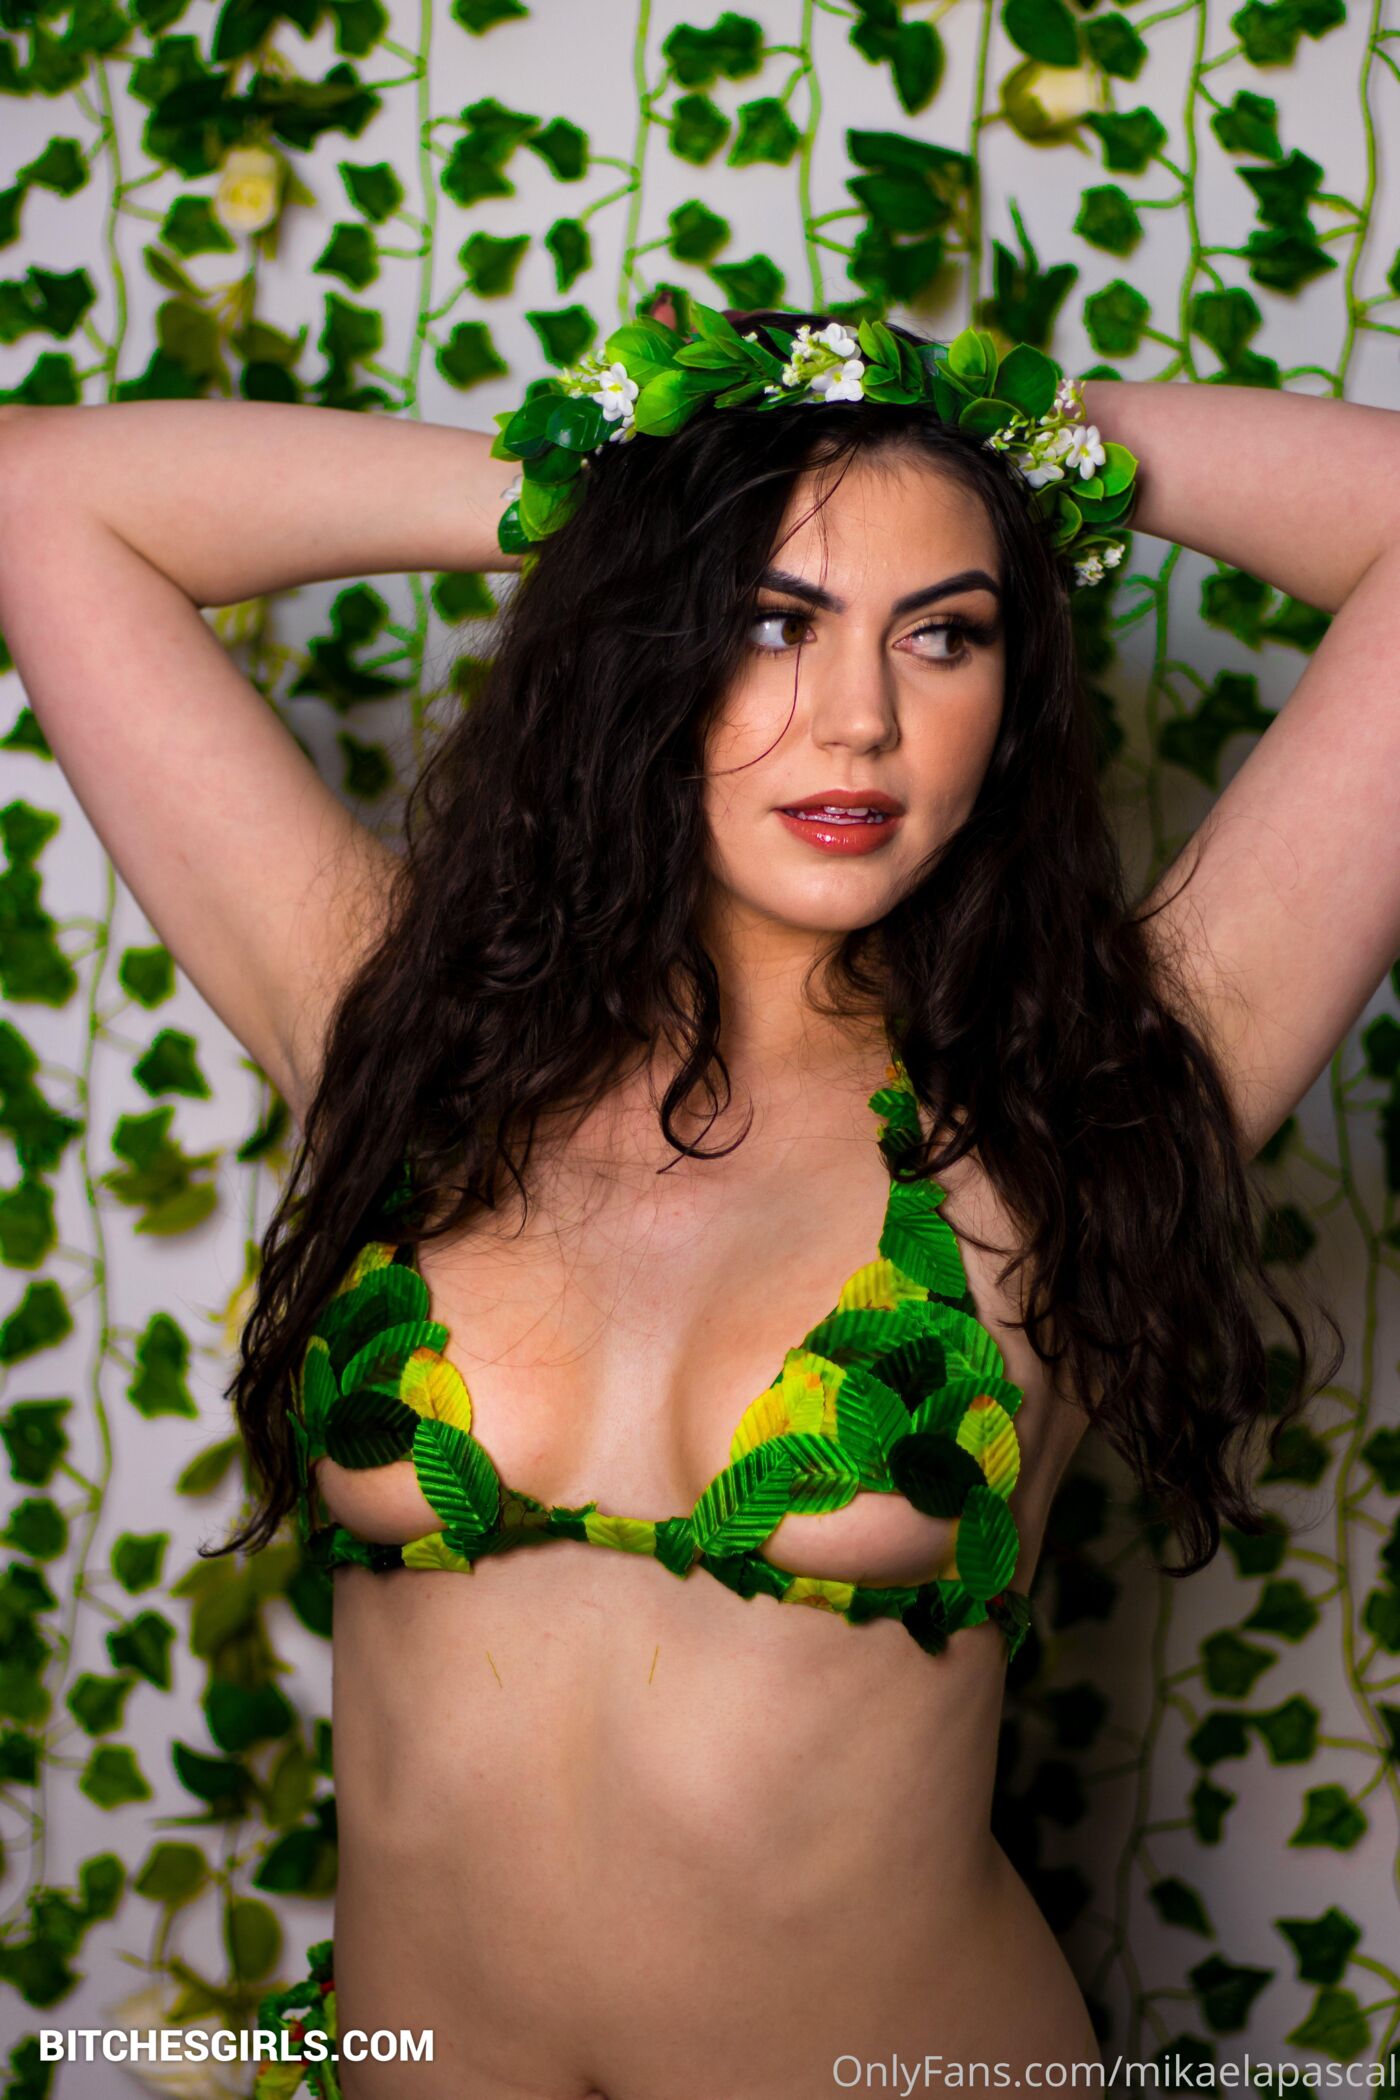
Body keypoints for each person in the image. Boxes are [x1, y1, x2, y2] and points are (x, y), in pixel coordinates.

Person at [1, 291, 1394, 2100]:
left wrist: (984, 431)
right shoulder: (401, 1040)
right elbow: (41, 497)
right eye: (767, 619)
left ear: (1012, 692)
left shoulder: (1082, 1108)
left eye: (944, 634)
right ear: (644, 644)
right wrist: (631, 494)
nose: (861, 720)